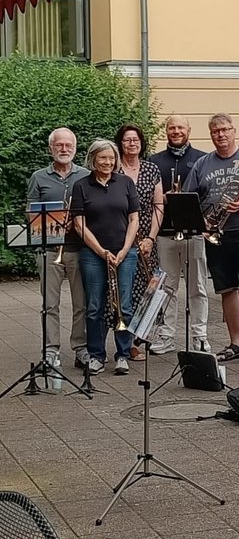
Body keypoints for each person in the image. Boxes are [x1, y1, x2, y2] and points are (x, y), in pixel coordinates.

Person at [182, 113, 239, 364]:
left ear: (234, 131)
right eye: (215, 131)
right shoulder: (202, 164)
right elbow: (190, 197)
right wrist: (203, 223)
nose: (220, 135)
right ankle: (236, 342)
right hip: (216, 235)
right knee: (227, 290)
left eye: (225, 130)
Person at [71, 139, 140, 376]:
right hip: (93, 254)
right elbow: (79, 225)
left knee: (124, 305)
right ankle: (96, 356)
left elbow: (134, 220)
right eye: (102, 158)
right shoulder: (81, 186)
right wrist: (101, 251)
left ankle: (122, 354)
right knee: (94, 306)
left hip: (125, 253)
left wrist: (124, 250)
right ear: (93, 159)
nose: (108, 162)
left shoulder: (126, 183)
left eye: (111, 158)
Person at [26, 128, 90, 370]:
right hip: (49, 249)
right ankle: (50, 350)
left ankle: (80, 348)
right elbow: (31, 213)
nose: (64, 149)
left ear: (75, 147)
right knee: (49, 304)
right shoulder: (39, 177)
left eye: (68, 145)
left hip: (78, 248)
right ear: (51, 148)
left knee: (81, 303)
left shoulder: (85, 175)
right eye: (59, 145)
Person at [147, 115, 210, 355]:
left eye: (180, 127)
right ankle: (166, 335)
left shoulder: (202, 159)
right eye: (171, 127)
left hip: (194, 233)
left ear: (189, 130)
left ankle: (199, 336)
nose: (176, 131)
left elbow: (207, 195)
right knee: (166, 287)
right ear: (166, 131)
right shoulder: (154, 162)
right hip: (165, 232)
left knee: (198, 287)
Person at [115, 124, 164, 361]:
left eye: (135, 140)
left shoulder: (152, 169)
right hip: (120, 236)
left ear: (141, 143)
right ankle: (126, 344)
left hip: (147, 238)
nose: (132, 144)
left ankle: (140, 338)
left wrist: (151, 238)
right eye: (127, 140)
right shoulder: (113, 169)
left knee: (147, 290)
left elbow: (158, 206)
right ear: (120, 143)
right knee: (124, 291)